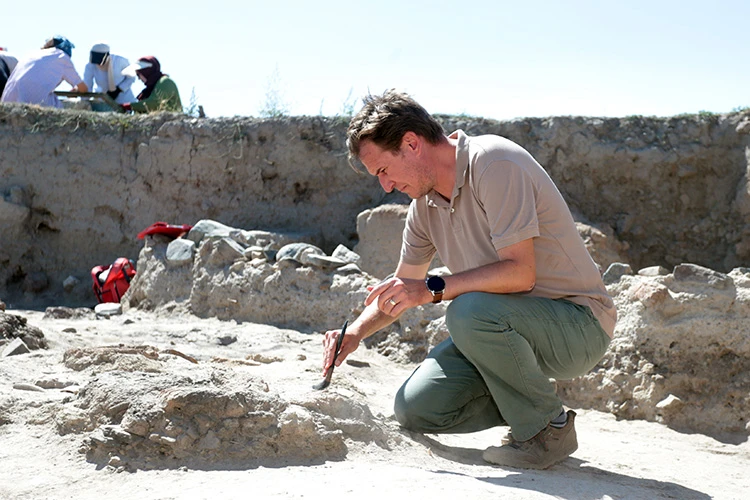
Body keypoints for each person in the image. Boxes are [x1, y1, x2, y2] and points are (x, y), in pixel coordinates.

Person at [321, 89, 617, 470]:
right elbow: (403, 287)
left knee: (466, 312)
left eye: (383, 170)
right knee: (415, 408)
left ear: (411, 144)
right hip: (506, 326)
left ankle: (547, 429)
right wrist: (356, 334)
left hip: (579, 325)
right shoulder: (423, 209)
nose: (386, 186)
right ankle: (525, 404)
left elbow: (520, 273)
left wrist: (432, 288)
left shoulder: (493, 163)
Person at [0, 36, 87, 107]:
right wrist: (76, 90)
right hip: (31, 101)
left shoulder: (32, 54)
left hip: (6, 101)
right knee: (61, 107)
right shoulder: (62, 57)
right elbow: (83, 88)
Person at [82, 42, 135, 109]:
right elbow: (87, 85)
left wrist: (119, 89)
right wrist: (84, 102)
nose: (98, 65)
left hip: (125, 101)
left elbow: (131, 78)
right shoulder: (90, 66)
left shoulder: (120, 61)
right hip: (105, 103)